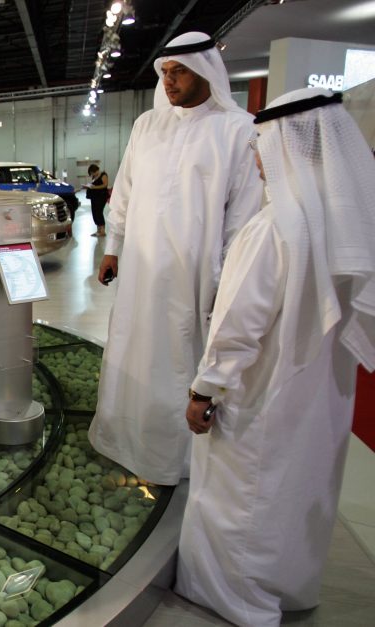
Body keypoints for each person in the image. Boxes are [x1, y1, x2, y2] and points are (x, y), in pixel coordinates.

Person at [176, 88, 374, 627]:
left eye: (263, 144)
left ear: (289, 145)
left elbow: (238, 325)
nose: (257, 158)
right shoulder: (346, 218)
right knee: (299, 486)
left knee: (243, 496)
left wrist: (204, 390)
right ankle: (290, 586)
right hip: (323, 391)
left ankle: (237, 597)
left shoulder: (273, 228)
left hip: (264, 390)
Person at [87, 31, 263, 486]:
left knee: (179, 356)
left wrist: (228, 276)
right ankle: (123, 440)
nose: (170, 81)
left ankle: (173, 458)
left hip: (195, 273)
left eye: (179, 71)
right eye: (165, 71)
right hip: (142, 268)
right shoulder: (147, 125)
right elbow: (123, 192)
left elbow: (241, 215)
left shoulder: (238, 129)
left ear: (205, 70)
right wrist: (113, 248)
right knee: (133, 345)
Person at [83, 164, 109, 237]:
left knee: (99, 212)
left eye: (92, 173)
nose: (92, 174)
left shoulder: (103, 175)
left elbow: (105, 185)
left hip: (101, 196)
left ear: (95, 170)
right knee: (94, 213)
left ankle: (103, 231)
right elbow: (92, 185)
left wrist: (94, 187)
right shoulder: (94, 176)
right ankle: (98, 230)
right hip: (94, 197)